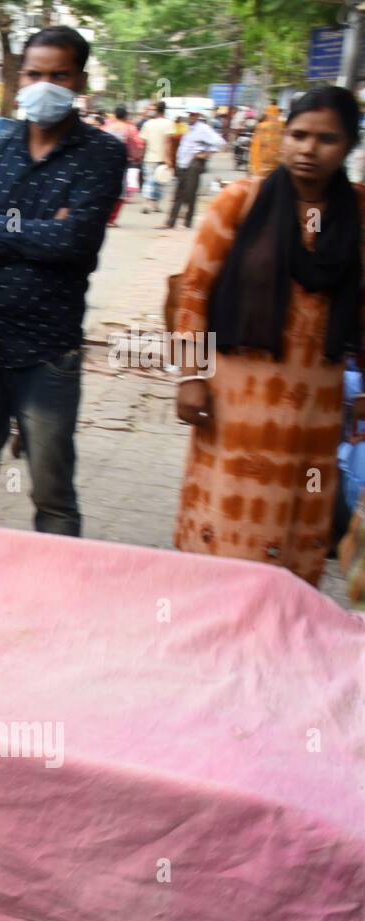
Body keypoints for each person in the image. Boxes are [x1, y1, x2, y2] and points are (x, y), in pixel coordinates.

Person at [173, 86, 364, 586]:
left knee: (297, 524)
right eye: (299, 135)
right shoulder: (242, 201)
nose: (308, 148)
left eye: (327, 138)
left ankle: (278, 637)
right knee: (230, 523)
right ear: (284, 138)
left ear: (347, 146)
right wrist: (191, 376)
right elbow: (193, 291)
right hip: (236, 400)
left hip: (317, 404)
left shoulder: (359, 213)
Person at [0, 26, 125, 536]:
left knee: (53, 494)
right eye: (34, 74)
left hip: (50, 352)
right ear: (19, 77)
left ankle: (64, 601)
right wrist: (38, 230)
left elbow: (76, 242)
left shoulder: (103, 154)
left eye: (58, 74)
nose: (44, 85)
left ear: (79, 80)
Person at [163, 110, 225, 229]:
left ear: (198, 116)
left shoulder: (203, 128)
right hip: (184, 163)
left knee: (190, 193)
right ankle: (171, 221)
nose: (191, 117)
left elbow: (219, 142)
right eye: (190, 114)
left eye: (193, 115)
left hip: (194, 163)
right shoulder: (188, 128)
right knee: (179, 193)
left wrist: (206, 154)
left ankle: (187, 221)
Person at [139, 100, 175, 213]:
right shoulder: (169, 123)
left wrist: (142, 156)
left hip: (149, 157)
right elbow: (168, 143)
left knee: (149, 181)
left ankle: (146, 203)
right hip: (162, 158)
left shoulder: (148, 123)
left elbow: (143, 143)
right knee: (160, 182)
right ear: (165, 110)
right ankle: (155, 204)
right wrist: (169, 158)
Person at [248, 104, 284, 178]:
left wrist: (254, 168)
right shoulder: (282, 126)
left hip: (263, 165)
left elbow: (256, 146)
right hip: (277, 166)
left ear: (267, 113)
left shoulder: (262, 126)